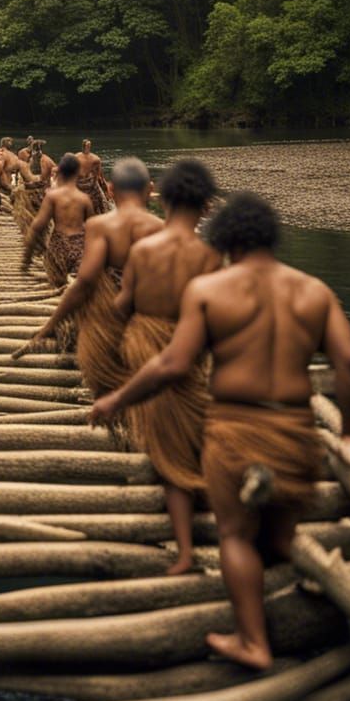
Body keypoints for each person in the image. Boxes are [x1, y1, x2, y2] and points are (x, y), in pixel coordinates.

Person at [91, 192, 350, 670]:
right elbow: (348, 365)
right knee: (280, 539)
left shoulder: (210, 290)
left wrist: (117, 398)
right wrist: (349, 434)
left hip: (236, 427)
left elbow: (173, 363)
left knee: (236, 535)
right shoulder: (314, 291)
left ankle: (253, 642)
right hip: (294, 428)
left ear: (226, 241)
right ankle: (310, 610)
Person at [102, 159, 222, 575]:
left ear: (162, 197)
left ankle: (185, 550)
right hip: (187, 353)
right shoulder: (209, 256)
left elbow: (123, 304)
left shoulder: (143, 250)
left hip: (144, 346)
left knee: (165, 441)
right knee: (188, 435)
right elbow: (215, 317)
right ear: (206, 206)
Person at [24, 158, 163, 395]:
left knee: (95, 352)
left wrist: (52, 322)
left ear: (110, 189)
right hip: (148, 314)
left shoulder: (103, 226)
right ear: (150, 189)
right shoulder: (161, 228)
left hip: (109, 311)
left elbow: (85, 281)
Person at [22, 153, 93, 286]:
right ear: (77, 172)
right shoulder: (84, 199)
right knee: (77, 283)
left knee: (58, 283)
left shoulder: (53, 197)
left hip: (59, 245)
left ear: (60, 171)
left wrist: (28, 256)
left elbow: (39, 224)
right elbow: (93, 227)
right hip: (79, 247)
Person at [12, 140, 56, 237]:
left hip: (35, 192)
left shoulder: (35, 160)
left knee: (35, 214)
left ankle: (36, 233)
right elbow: (56, 171)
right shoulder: (44, 160)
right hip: (39, 192)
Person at [75, 138, 108, 215]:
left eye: (88, 146)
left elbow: (99, 174)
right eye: (86, 146)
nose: (87, 147)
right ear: (83, 147)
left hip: (91, 182)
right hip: (80, 182)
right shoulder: (76, 157)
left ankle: (103, 211)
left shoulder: (95, 159)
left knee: (101, 199)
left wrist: (102, 182)